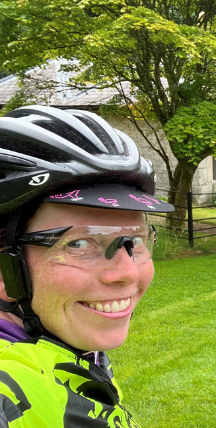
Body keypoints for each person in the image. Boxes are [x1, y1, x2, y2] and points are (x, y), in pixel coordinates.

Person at [0, 105, 174, 427]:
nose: (128, 272)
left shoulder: (66, 353)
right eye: (78, 244)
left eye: (134, 241)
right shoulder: (9, 396)